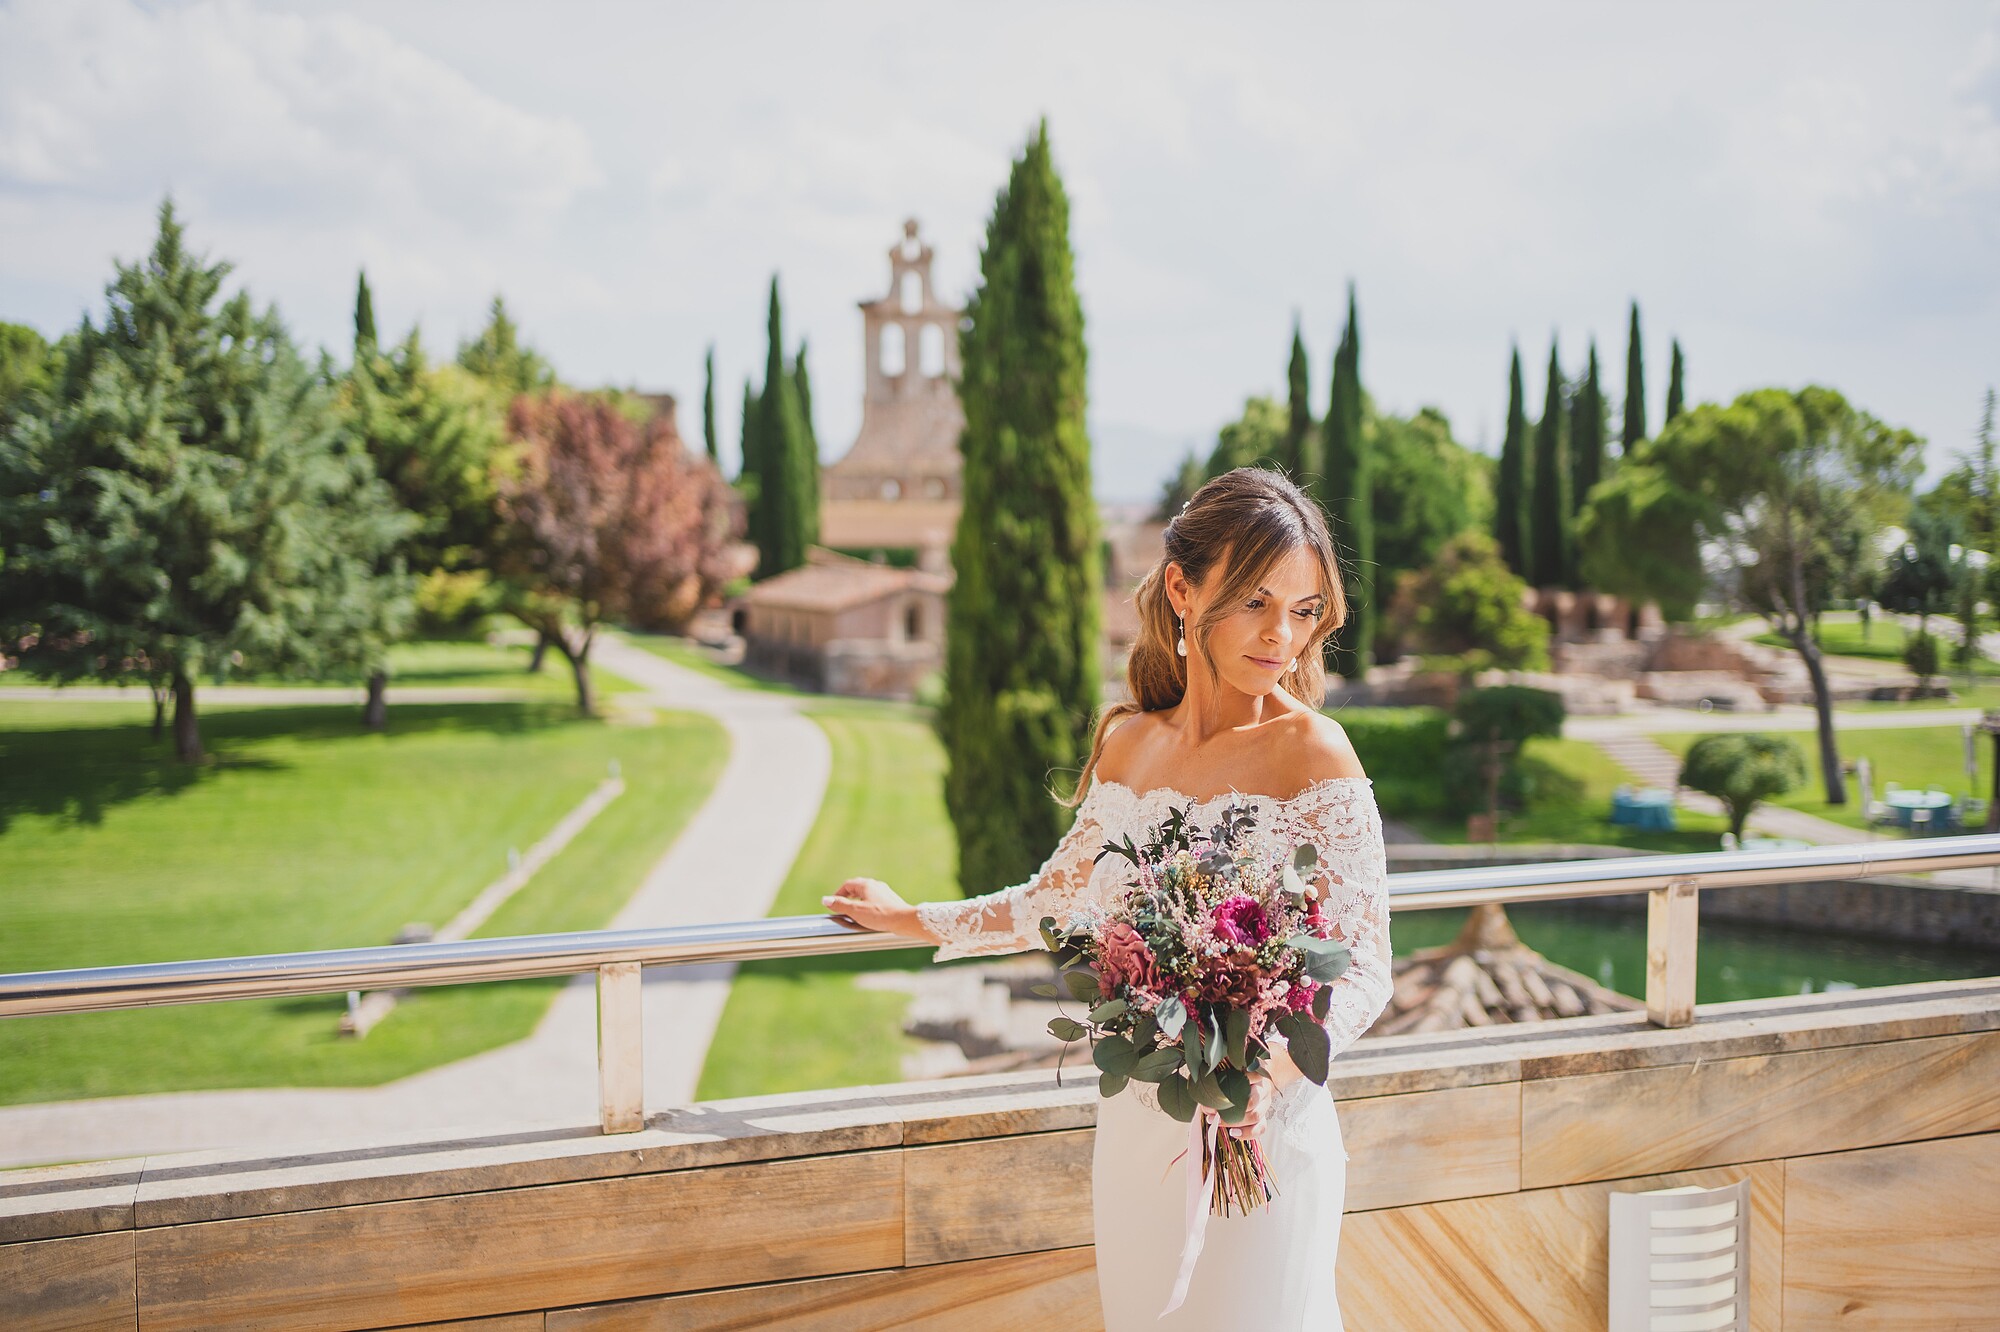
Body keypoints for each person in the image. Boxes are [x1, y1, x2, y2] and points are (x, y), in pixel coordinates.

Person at [823, 467, 1394, 1330]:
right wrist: (910, 918)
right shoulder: (1130, 744)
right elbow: (1051, 902)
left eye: (1304, 609)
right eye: (1256, 602)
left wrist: (1266, 1077)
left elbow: (1366, 969)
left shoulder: (1316, 752)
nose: (1283, 634)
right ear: (1182, 590)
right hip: (1141, 1130)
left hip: (1263, 1135)